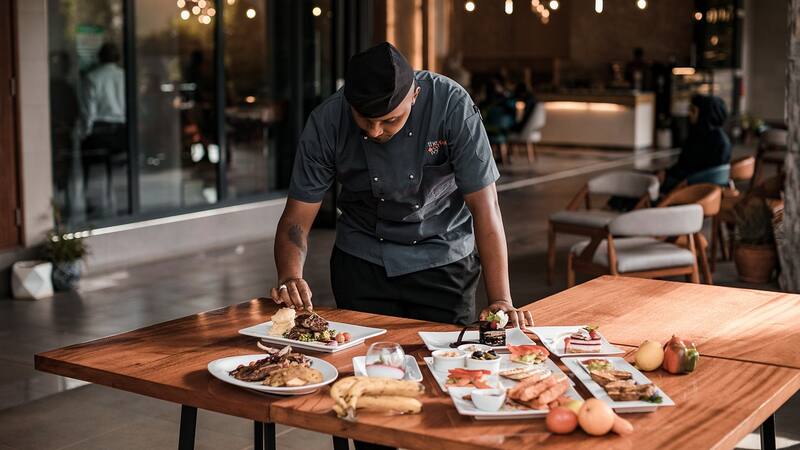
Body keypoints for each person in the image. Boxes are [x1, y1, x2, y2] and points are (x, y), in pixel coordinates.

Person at [271, 42, 533, 331]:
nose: (374, 131)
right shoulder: (327, 121)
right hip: (362, 261)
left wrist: (501, 300)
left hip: (443, 260)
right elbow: (296, 218)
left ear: (415, 96)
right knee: (360, 365)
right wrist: (289, 277)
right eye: (365, 120)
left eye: (389, 120)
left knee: (442, 363)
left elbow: (485, 207)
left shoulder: (452, 106)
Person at [80, 42, 127, 216]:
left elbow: (88, 111)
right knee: (119, 169)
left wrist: (85, 133)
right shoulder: (124, 76)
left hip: (100, 129)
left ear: (100, 57)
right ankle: (122, 205)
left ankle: (94, 208)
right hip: (121, 130)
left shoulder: (92, 77)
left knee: (93, 171)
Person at [661, 94, 731, 194]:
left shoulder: (704, 139)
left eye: (693, 110)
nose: (689, 114)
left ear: (705, 113)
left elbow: (690, 169)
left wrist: (666, 174)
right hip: (709, 192)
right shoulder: (721, 139)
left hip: (691, 188)